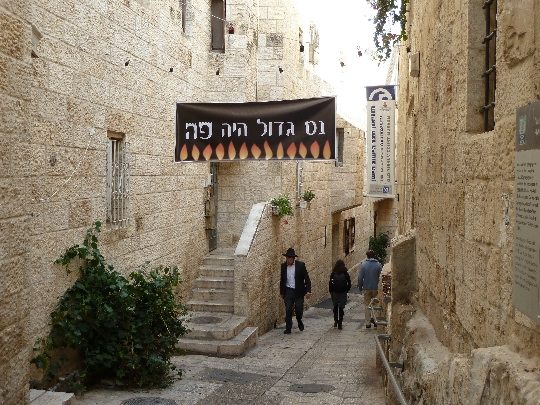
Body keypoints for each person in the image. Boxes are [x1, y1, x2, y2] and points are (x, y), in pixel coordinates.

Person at [280, 248, 312, 334]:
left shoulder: (300, 265)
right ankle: (288, 328)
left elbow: (307, 279)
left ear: (293, 259)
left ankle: (299, 320)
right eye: (287, 259)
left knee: (298, 309)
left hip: (298, 291)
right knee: (288, 309)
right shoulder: (283, 266)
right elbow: (282, 280)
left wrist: (308, 290)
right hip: (288, 291)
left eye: (290, 259)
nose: (288, 261)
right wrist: (282, 292)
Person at [358, 250, 382, 329]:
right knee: (375, 304)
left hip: (367, 288)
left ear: (367, 256)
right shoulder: (378, 265)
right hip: (376, 288)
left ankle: (368, 323)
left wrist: (360, 287)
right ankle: (375, 321)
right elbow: (380, 277)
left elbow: (360, 277)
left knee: (367, 305)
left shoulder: (363, 265)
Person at [329, 259, 352, 330]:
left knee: (335, 307)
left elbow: (330, 283)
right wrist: (346, 290)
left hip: (335, 293)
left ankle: (336, 321)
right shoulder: (345, 273)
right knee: (341, 308)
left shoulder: (333, 273)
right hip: (342, 293)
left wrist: (331, 291)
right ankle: (340, 323)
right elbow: (349, 283)